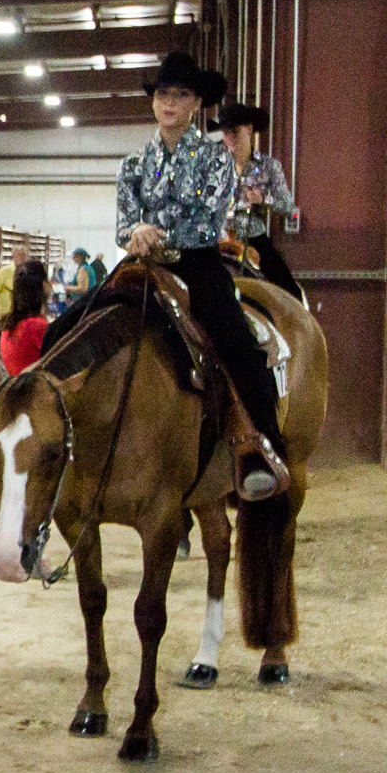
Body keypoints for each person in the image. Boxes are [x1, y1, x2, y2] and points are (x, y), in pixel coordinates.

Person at [114, 51, 287, 501]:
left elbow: (209, 221)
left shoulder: (215, 158)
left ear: (196, 104)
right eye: (163, 93)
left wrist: (158, 231)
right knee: (86, 317)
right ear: (153, 101)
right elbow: (122, 222)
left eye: (181, 94)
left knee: (236, 340)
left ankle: (262, 445)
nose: (169, 102)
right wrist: (133, 232)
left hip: (197, 263)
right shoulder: (133, 165)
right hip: (145, 264)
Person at [219, 102, 301, 298]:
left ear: (248, 130)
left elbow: (289, 208)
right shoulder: (214, 167)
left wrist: (264, 199)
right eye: (225, 133)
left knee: (291, 292)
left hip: (254, 238)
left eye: (234, 132)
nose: (229, 139)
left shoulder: (269, 166)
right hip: (219, 239)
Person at [0, 259, 51, 376]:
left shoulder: (9, 323)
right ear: (44, 285)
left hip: (17, 387)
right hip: (34, 389)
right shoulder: (36, 325)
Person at [0, 245, 27, 319]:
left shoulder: (28, 271)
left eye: (24, 255)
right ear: (13, 256)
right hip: (6, 315)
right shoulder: (5, 271)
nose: (22, 258)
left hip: (23, 315)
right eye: (19, 255)